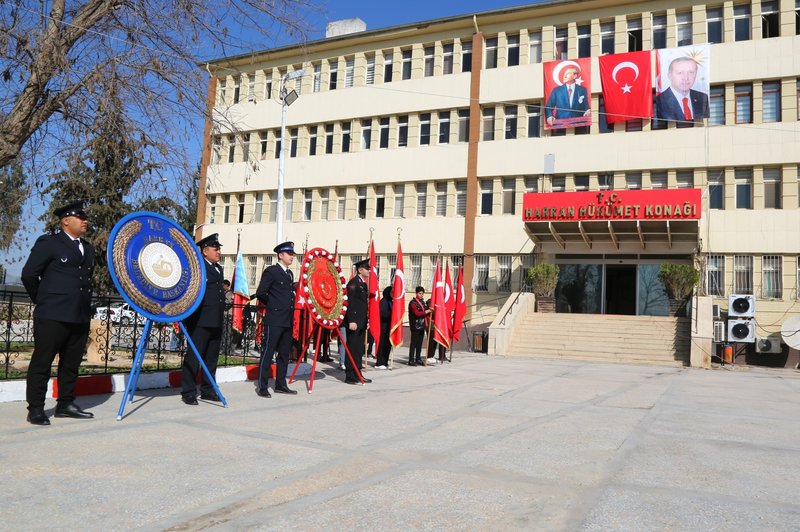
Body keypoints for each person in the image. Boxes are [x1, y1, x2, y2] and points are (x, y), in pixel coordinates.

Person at [21, 200, 95, 425]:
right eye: (79, 217)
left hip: (79, 315)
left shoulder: (88, 248)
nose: (85, 221)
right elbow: (29, 275)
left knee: (71, 363)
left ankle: (65, 404)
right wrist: (43, 300)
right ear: (65, 221)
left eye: (85, 217)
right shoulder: (49, 243)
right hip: (52, 314)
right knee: (42, 362)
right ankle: (35, 408)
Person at [180, 233, 226, 405]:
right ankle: (189, 391)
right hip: (200, 320)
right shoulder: (198, 268)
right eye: (216, 249)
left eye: (219, 249)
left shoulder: (218, 268)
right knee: (194, 357)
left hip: (216, 319)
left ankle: (207, 389)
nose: (219, 252)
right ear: (205, 251)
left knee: (211, 358)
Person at [255, 241, 298, 397]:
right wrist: (274, 305)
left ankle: (281, 384)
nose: (292, 256)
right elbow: (261, 293)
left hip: (286, 319)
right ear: (281, 255)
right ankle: (262, 386)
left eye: (292, 254)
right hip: (274, 318)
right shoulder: (272, 271)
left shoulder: (289, 274)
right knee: (268, 353)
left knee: (284, 354)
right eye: (289, 254)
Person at [343, 259, 372, 384]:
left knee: (359, 349)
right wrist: (352, 320)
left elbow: (363, 305)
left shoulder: (363, 284)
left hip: (361, 321)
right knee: (352, 348)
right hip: (354, 322)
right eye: (367, 268)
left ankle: (358, 372)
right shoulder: (353, 283)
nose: (369, 271)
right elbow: (351, 303)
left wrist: (366, 320)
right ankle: (350, 375)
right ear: (360, 270)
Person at [654, 56, 709, 123]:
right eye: (680, 73)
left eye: (691, 72)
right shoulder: (660, 100)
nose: (686, 78)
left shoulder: (702, 97)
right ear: (669, 76)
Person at [407, 286, 429, 366]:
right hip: (415, 325)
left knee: (419, 343)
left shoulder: (423, 303)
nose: (421, 295)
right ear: (416, 293)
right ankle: (411, 359)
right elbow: (417, 313)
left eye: (422, 294)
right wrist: (427, 311)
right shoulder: (413, 303)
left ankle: (418, 358)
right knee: (414, 343)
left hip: (422, 325)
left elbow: (427, 310)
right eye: (420, 293)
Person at [376, 286, 392, 369]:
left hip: (389, 327)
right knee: (382, 345)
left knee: (388, 345)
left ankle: (385, 361)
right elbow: (382, 314)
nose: (393, 294)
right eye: (391, 292)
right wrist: (391, 315)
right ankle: (379, 362)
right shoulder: (384, 301)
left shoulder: (391, 302)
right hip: (383, 327)